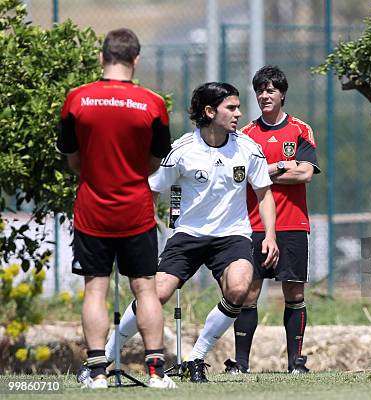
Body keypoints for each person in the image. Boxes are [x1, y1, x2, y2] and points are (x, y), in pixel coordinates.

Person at [92, 81, 279, 383]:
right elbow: (150, 190)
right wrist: (143, 231)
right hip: (188, 234)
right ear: (209, 111)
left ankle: (196, 358)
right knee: (158, 293)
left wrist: (270, 235)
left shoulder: (247, 147)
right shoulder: (182, 150)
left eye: (238, 107)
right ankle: (106, 357)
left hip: (233, 235)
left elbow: (264, 193)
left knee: (239, 288)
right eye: (231, 107)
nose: (239, 113)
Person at [56, 28, 175, 389]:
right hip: (136, 211)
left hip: (92, 210)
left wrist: (92, 172)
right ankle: (155, 372)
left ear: (102, 57)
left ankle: (96, 373)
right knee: (145, 289)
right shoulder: (153, 104)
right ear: (136, 60)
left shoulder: (77, 99)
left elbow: (71, 158)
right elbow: (156, 161)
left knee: (95, 289)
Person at [225, 66, 320, 374]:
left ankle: (296, 363)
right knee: (247, 292)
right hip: (252, 225)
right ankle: (240, 364)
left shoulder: (300, 130)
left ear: (282, 94)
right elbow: (242, 176)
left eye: (271, 90)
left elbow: (305, 172)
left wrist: (264, 172)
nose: (265, 95)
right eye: (260, 91)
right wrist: (281, 166)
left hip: (293, 223)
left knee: (294, 292)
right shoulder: (246, 134)